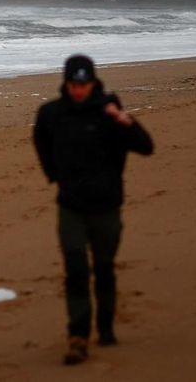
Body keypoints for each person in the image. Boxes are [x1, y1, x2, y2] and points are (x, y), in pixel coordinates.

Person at [32, 54, 154, 365]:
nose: (78, 90)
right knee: (75, 269)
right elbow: (41, 141)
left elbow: (145, 147)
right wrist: (54, 176)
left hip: (106, 206)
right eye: (74, 84)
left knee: (103, 269)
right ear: (66, 82)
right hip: (70, 206)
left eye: (84, 84)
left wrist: (124, 119)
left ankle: (106, 327)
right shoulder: (52, 114)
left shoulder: (108, 112)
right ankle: (78, 336)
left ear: (93, 83)